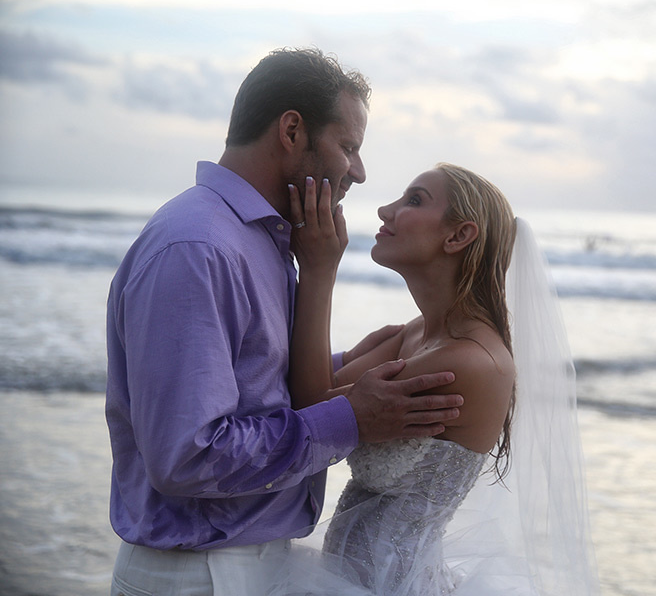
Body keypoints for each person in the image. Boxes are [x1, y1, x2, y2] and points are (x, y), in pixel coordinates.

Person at [105, 47, 464, 596]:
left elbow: (248, 380)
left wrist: (349, 365)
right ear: (292, 131)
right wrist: (351, 419)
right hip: (199, 576)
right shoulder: (197, 248)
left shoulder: (263, 240)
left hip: (242, 566)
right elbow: (189, 455)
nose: (360, 173)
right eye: (348, 147)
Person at [275, 163, 599, 595]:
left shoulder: (468, 362)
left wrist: (318, 271)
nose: (385, 211)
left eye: (413, 200)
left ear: (458, 236)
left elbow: (308, 407)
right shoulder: (409, 335)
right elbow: (296, 391)